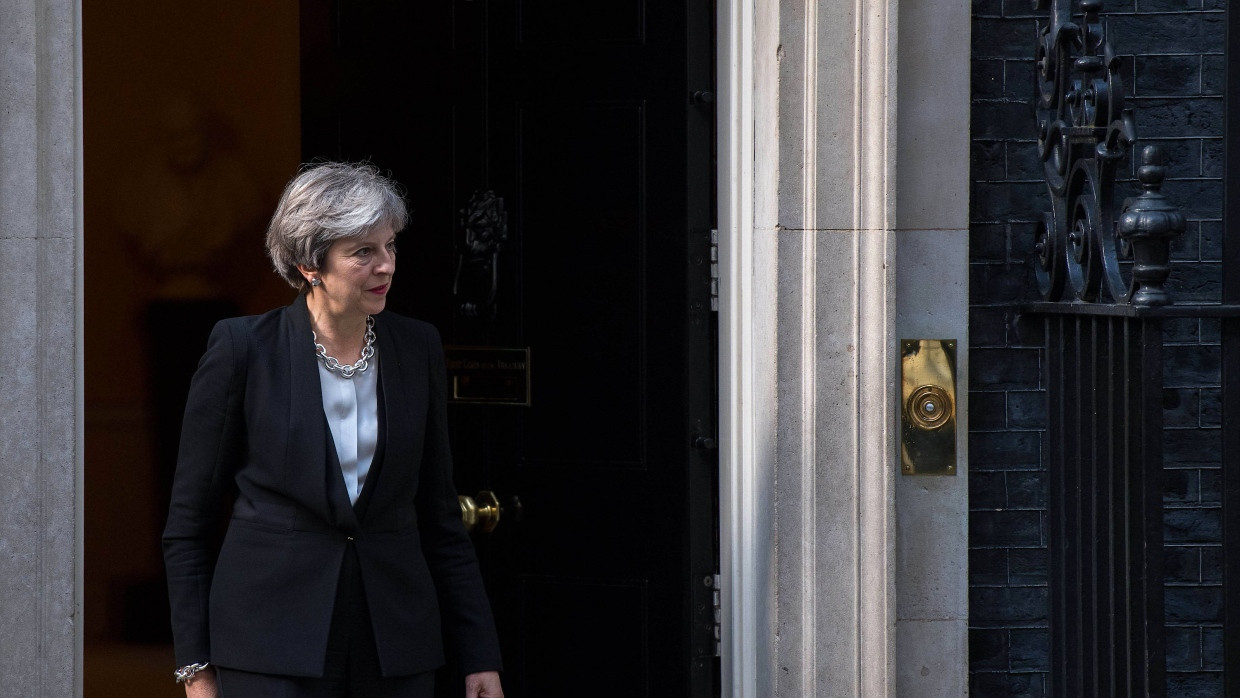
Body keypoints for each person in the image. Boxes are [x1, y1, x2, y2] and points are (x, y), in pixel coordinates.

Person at [162, 162, 504, 698]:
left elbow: (438, 513)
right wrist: (195, 668)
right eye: (362, 252)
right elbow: (188, 523)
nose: (385, 266)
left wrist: (479, 654)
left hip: (395, 646)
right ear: (308, 264)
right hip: (268, 647)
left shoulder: (417, 348)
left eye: (389, 246)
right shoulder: (243, 349)